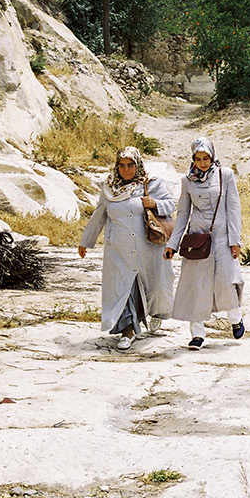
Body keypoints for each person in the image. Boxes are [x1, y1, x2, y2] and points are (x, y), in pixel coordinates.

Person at [78, 146, 175, 351]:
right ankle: (127, 330)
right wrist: (86, 241)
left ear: (137, 165)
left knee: (155, 286)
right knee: (124, 288)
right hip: (119, 251)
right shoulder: (109, 189)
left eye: (130, 165)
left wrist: (154, 203)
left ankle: (156, 313)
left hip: (149, 247)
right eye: (121, 166)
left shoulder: (151, 183)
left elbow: (171, 204)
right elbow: (99, 217)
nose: (126, 170)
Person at [164, 137, 244, 348]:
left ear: (212, 156)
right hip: (197, 238)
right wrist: (173, 244)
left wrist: (235, 240)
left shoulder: (225, 175)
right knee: (196, 285)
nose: (202, 163)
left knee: (226, 281)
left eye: (206, 158)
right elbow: (182, 214)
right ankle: (197, 334)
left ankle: (235, 318)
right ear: (193, 159)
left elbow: (233, 208)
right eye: (198, 159)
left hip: (222, 236)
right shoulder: (187, 180)